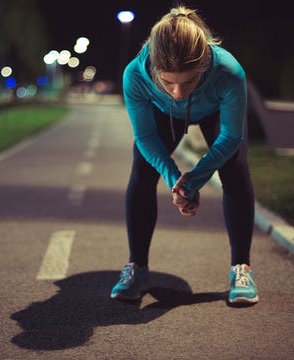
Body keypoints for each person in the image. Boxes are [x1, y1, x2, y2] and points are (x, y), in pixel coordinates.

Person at [110, 4, 259, 305]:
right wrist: (176, 179)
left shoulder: (228, 70)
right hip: (163, 115)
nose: (179, 92)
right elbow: (146, 137)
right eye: (168, 82)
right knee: (142, 168)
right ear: (153, 69)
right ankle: (136, 267)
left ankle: (241, 268)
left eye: (189, 81)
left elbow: (231, 136)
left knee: (235, 167)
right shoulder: (135, 74)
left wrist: (194, 181)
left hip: (213, 110)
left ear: (204, 64)